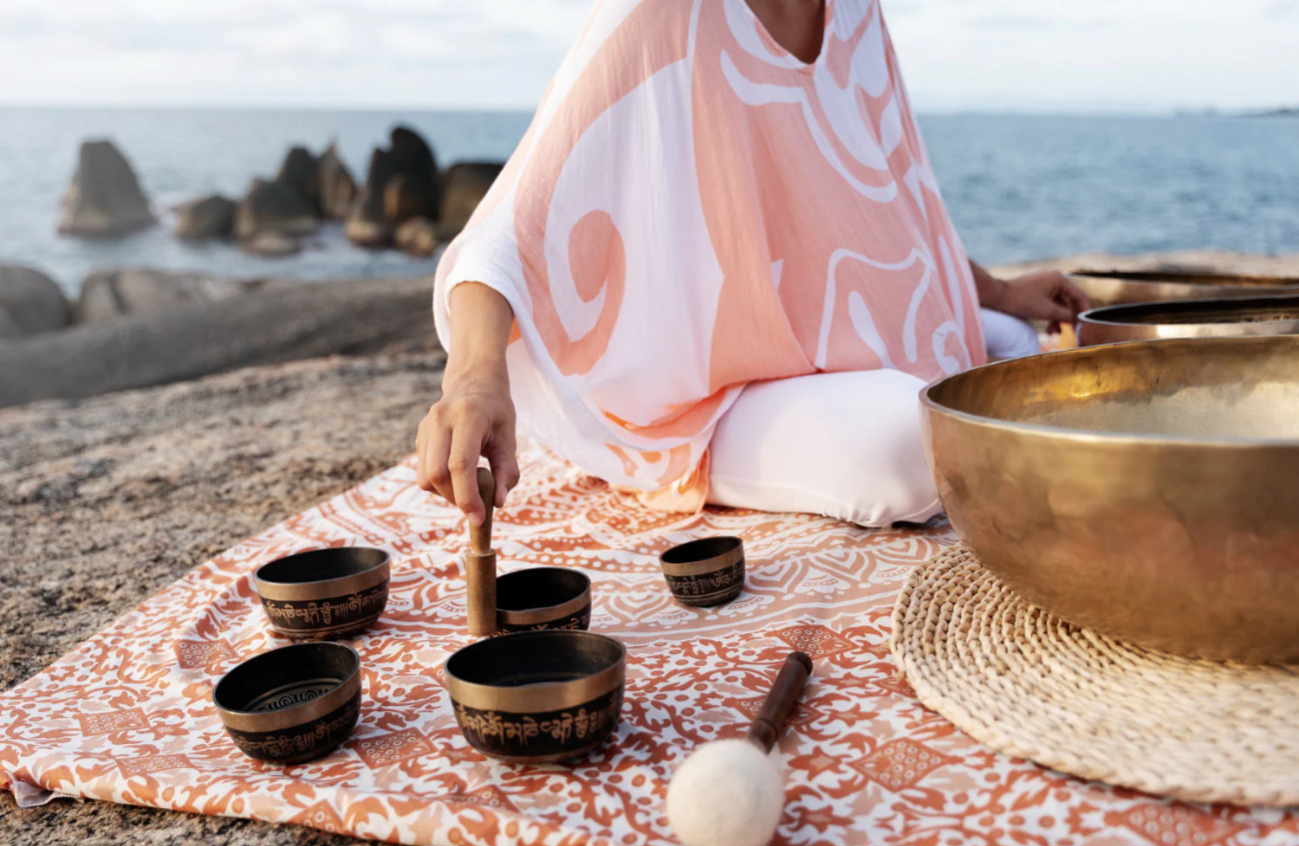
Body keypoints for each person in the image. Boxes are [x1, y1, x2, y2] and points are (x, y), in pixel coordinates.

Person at [417, 0, 1088, 527]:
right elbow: (509, 226)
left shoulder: (854, 11)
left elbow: (887, 210)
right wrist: (474, 378)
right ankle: (662, 456)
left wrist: (999, 290)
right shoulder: (661, 12)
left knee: (1006, 344)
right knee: (913, 442)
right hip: (705, 380)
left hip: (817, 343)